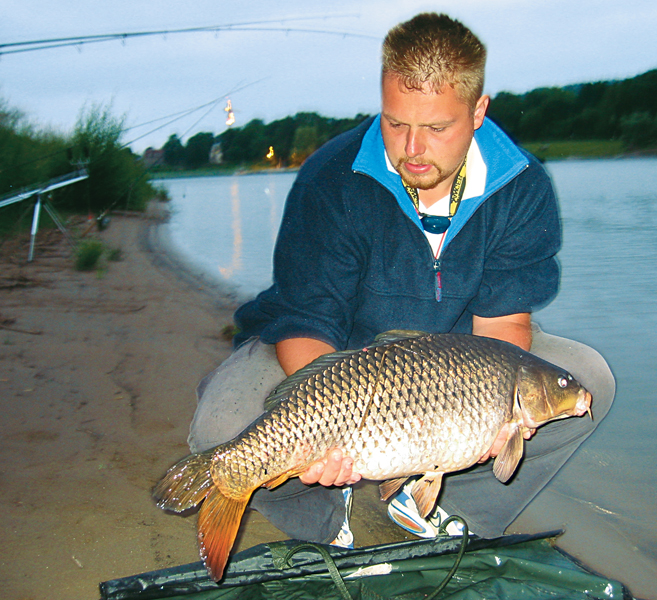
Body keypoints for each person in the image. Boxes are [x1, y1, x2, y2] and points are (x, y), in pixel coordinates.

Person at [187, 12, 614, 548]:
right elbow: (305, 322)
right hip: (330, 352)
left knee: (588, 380)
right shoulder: (333, 178)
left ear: (478, 111)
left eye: (436, 128)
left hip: (457, 362)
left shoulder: (520, 188)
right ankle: (330, 514)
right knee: (221, 433)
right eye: (395, 122)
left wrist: (491, 414)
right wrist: (331, 431)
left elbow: (504, 322)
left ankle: (442, 511)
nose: (412, 149)